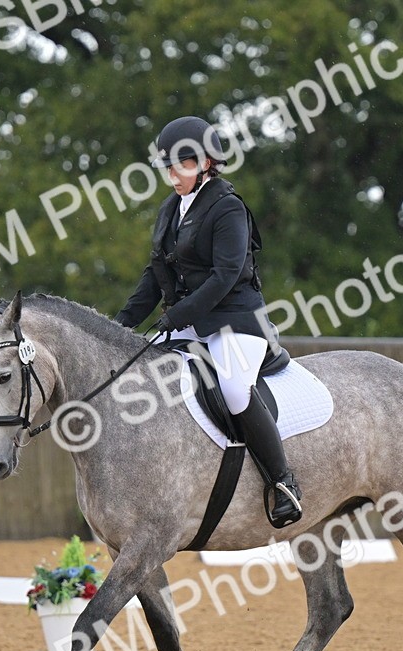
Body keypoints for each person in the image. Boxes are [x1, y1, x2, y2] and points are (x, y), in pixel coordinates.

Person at [114, 116, 302, 529]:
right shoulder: (171, 209)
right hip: (188, 323)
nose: (172, 176)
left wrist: (176, 316)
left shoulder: (228, 207)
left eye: (180, 166)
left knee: (235, 390)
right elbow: (155, 274)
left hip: (235, 322)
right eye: (167, 167)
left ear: (204, 163)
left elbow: (226, 275)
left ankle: (283, 483)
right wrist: (118, 325)